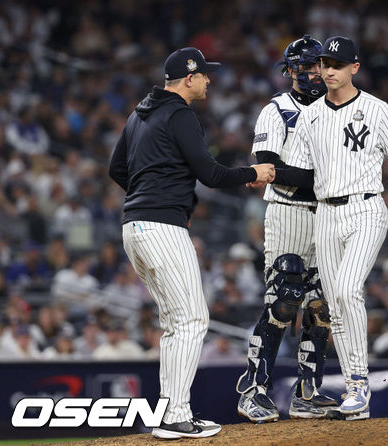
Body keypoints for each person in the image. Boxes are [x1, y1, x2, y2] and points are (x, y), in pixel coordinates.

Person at [109, 47, 274, 439]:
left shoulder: (138, 114)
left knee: (174, 323)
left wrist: (148, 192)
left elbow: (117, 168)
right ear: (188, 78)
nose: (208, 80)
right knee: (193, 320)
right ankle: (175, 416)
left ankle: (171, 412)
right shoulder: (181, 114)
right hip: (162, 227)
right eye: (203, 75)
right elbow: (211, 173)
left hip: (134, 226)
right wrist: (253, 171)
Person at [270, 36, 388, 419]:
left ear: (354, 68)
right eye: (324, 63)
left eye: (336, 65)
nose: (327, 71)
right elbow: (304, 174)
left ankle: (359, 383)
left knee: (345, 289)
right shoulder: (310, 116)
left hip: (366, 209)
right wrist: (265, 171)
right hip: (324, 212)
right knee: (335, 303)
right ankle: (354, 392)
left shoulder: (376, 109)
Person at [236, 35, 338, 422]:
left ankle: (307, 392)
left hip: (327, 214)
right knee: (284, 299)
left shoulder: (335, 110)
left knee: (322, 306)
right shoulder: (276, 110)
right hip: (289, 211)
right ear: (291, 70)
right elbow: (268, 169)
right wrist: (326, 182)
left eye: (320, 65)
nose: (315, 73)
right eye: (308, 66)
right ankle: (252, 388)